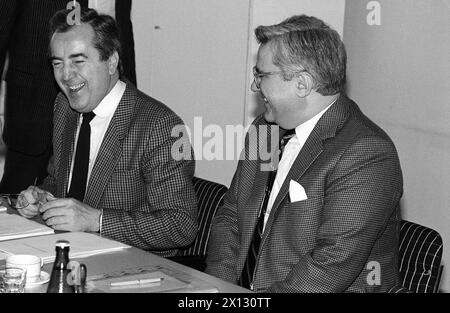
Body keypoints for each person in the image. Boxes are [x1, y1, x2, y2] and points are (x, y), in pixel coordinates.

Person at [205, 15, 403, 292]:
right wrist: (220, 289)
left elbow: (330, 265)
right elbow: (231, 218)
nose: (254, 86)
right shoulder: (265, 129)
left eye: (261, 75)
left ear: (302, 83)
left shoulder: (366, 153)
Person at [17, 8, 198, 257]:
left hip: (129, 266)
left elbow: (181, 225)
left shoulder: (160, 126)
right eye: (58, 63)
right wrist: (42, 197)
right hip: (65, 253)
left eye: (78, 61)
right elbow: (61, 182)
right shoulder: (64, 107)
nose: (66, 75)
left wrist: (97, 221)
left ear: (111, 61)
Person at [0, 0, 136, 194]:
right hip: (33, 108)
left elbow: (121, 30)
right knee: (19, 203)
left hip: (101, 110)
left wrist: (131, 93)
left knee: (90, 200)